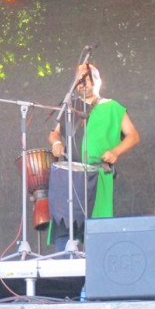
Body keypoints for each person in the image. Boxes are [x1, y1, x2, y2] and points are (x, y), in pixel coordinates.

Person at [47, 63, 140, 251]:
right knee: (65, 226)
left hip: (98, 174)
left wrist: (115, 152)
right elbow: (54, 133)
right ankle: (66, 264)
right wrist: (56, 143)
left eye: (87, 79)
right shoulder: (70, 107)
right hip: (69, 175)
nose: (83, 84)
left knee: (98, 230)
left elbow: (133, 136)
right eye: (79, 80)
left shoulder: (112, 107)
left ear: (98, 81)